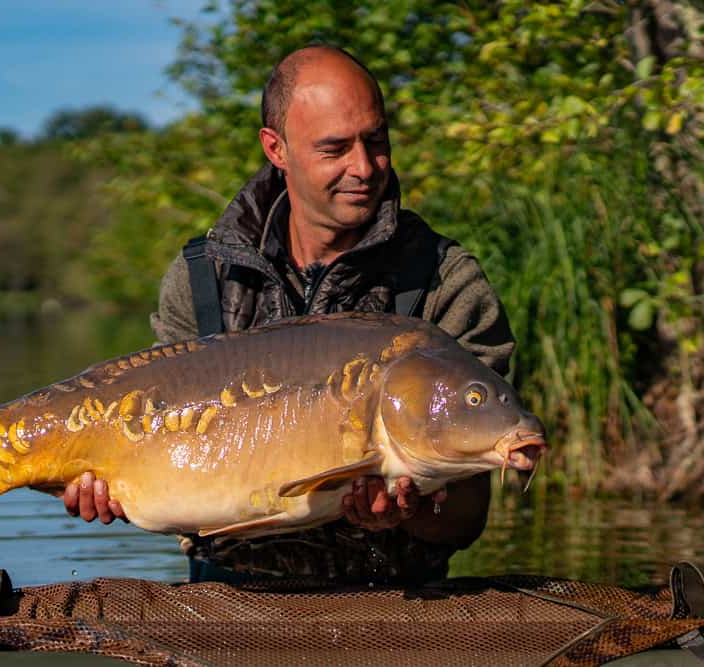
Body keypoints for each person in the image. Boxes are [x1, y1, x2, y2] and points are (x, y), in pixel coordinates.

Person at [62, 45, 515, 585]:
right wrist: (104, 484)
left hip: (396, 599)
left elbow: (469, 516)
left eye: (376, 141)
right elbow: (167, 474)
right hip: (226, 594)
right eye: (334, 149)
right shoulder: (202, 277)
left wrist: (416, 509)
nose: (364, 167)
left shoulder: (445, 279)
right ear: (277, 149)